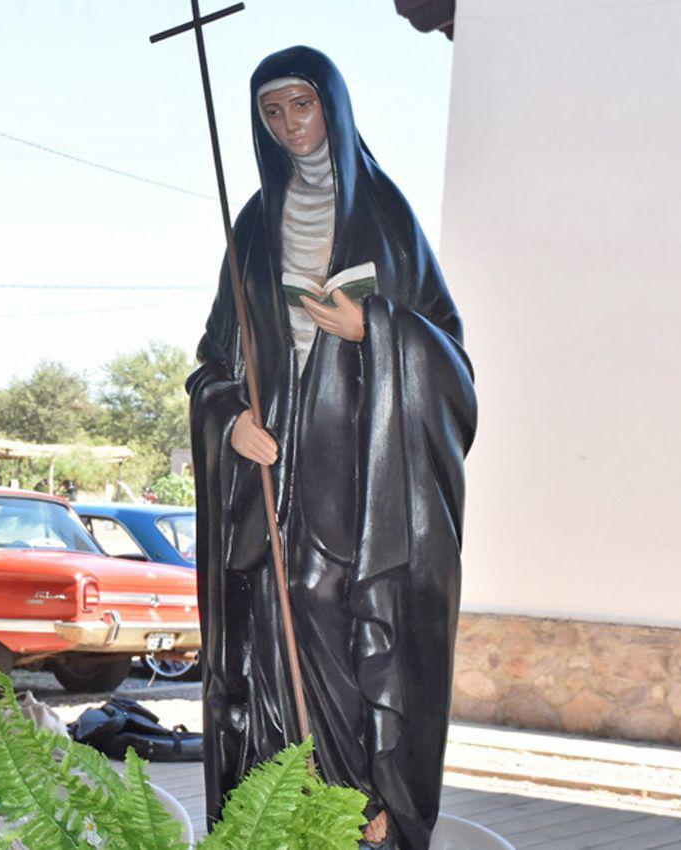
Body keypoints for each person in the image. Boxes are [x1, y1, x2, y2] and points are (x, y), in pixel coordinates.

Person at [187, 47, 476, 850]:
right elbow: (213, 360)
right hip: (274, 487)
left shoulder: (384, 215)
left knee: (357, 639)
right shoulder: (251, 226)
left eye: (300, 107)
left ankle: (363, 812)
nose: (288, 126)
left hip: (362, 483)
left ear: (333, 109)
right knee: (274, 646)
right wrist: (228, 418)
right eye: (272, 114)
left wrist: (374, 329)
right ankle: (282, 818)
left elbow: (451, 360)